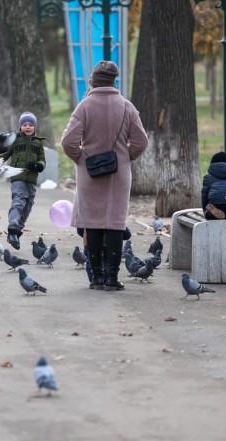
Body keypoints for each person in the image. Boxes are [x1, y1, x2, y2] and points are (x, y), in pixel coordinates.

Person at [61, 60, 148, 291]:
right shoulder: (127, 106)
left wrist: (81, 157)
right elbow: (141, 141)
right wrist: (124, 156)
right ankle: (112, 278)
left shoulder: (84, 107)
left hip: (90, 173)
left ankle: (96, 278)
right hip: (119, 174)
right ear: (113, 80)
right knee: (115, 224)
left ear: (94, 80)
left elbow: (68, 142)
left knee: (93, 224)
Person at [0, 112, 46, 250]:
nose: (27, 127)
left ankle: (17, 231)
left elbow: (42, 160)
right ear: (20, 127)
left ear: (35, 127)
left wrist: (39, 166)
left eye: (30, 125)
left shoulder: (38, 143)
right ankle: (12, 229)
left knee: (28, 206)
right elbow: (3, 156)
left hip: (31, 180)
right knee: (19, 201)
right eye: (24, 125)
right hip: (17, 179)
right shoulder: (15, 140)